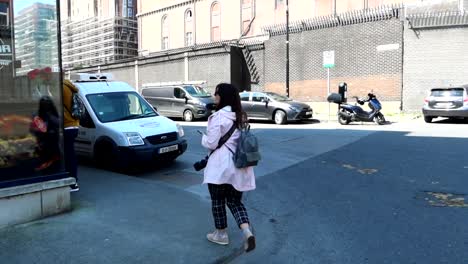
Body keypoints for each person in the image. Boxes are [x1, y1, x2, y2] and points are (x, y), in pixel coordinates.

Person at [201, 83, 256, 252]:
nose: (214, 96)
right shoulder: (240, 116)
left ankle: (221, 234)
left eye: (216, 93)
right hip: (238, 167)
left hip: (220, 168)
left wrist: (203, 138)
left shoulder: (218, 117)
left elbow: (211, 143)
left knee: (218, 202)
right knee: (234, 201)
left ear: (222, 96)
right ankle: (247, 231)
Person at [30, 96, 60, 172]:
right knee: (44, 165)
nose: (46, 106)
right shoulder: (37, 115)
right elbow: (32, 129)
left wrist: (50, 117)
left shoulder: (53, 115)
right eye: (44, 104)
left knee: (53, 164)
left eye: (47, 104)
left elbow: (58, 124)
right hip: (42, 143)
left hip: (53, 144)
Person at [63, 79, 80, 192]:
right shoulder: (68, 85)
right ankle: (73, 181)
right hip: (74, 124)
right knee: (70, 154)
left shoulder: (61, 87)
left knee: (68, 156)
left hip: (67, 125)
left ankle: (72, 183)